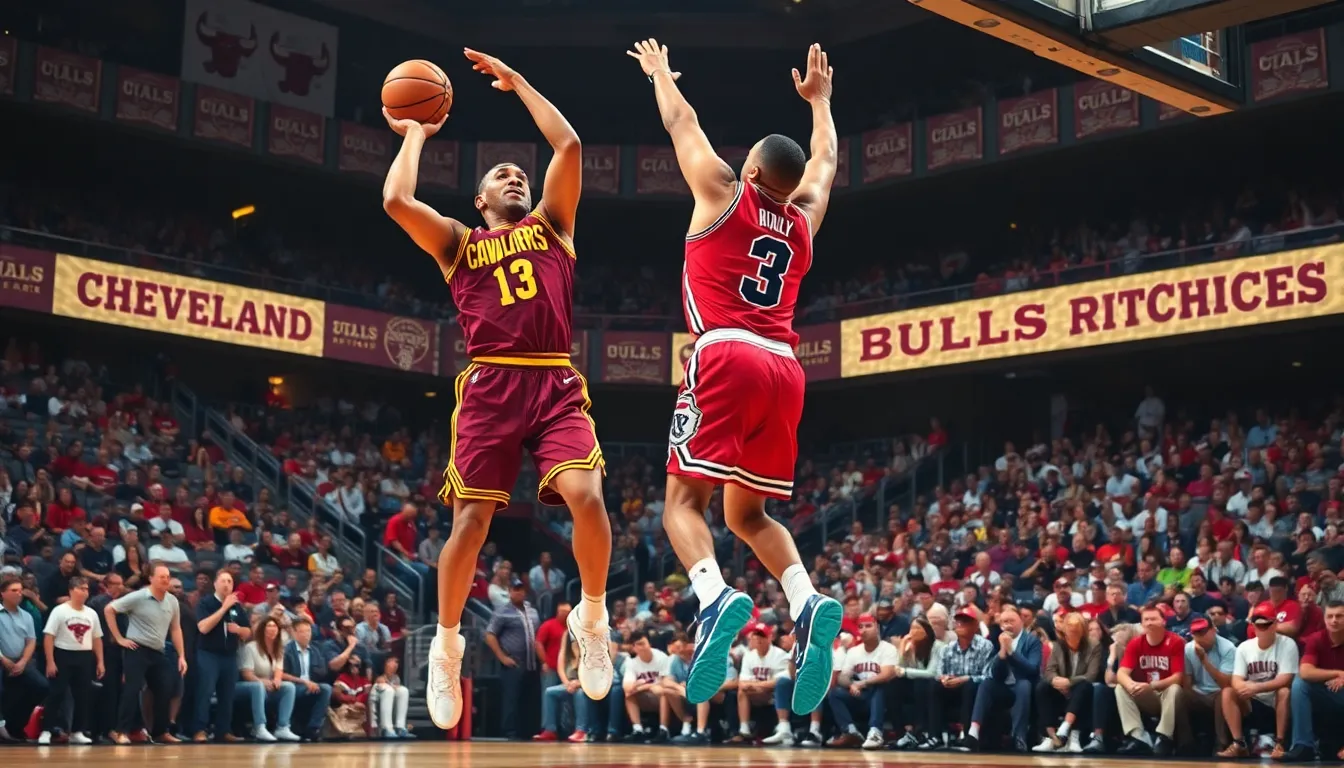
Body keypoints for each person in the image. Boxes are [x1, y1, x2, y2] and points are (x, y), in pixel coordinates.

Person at [382, 47, 614, 732]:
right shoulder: (458, 243)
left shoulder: (553, 226)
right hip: (490, 384)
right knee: (471, 524)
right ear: (480, 201)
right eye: (500, 176)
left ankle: (592, 619)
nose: (515, 176)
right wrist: (416, 133)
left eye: (520, 174)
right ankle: (447, 645)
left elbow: (569, 145)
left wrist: (519, 84)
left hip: (553, 378)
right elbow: (396, 201)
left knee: (588, 498)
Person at [625, 37, 841, 717]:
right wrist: (821, 104)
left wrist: (659, 74)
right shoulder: (803, 219)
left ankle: (714, 596)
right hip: (785, 368)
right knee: (747, 514)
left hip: (725, 353)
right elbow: (826, 162)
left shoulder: (722, 189)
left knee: (681, 505)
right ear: (788, 182)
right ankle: (805, 600)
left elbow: (680, 121)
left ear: (749, 168)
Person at [105, 564, 188, 744]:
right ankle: (121, 731)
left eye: (167, 576)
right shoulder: (139, 596)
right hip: (137, 649)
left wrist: (182, 656)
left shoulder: (172, 601)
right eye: (161, 576)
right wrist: (119, 638)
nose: (166, 580)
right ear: (151, 578)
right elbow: (109, 609)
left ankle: (160, 732)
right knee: (132, 689)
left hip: (158, 651)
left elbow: (175, 629)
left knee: (165, 688)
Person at [1218, 601, 1298, 758]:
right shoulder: (1244, 647)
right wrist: (1244, 687)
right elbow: (1236, 680)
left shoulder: (1288, 644)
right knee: (1228, 692)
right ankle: (1239, 743)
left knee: (1284, 691)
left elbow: (1286, 679)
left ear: (1275, 625)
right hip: (1253, 700)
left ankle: (1279, 743)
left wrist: (1255, 687)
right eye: (1257, 625)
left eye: (1265, 625)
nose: (1261, 629)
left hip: (1276, 698)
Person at [961, 603, 1040, 752]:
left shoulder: (1031, 640)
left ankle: (1019, 737)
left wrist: (1011, 652)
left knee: (1024, 685)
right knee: (986, 683)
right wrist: (1002, 653)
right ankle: (973, 732)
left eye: (1011, 621)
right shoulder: (997, 639)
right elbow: (995, 673)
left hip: (1023, 685)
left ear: (1021, 622)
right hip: (1004, 687)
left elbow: (1032, 670)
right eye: (1004, 622)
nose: (1008, 625)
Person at [38, 576, 103, 745]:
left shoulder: (91, 613)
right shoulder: (60, 611)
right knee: (56, 693)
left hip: (84, 656)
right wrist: (50, 661)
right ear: (72, 590)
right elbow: (49, 637)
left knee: (83, 695)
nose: (85, 592)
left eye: (86, 589)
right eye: (81, 588)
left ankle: (77, 731)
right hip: (63, 654)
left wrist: (100, 661)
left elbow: (97, 638)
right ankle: (46, 730)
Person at [1115, 605, 1186, 755]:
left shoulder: (1175, 641)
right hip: (1147, 695)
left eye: (1153, 619)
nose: (1149, 623)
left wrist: (1152, 685)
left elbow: (1178, 678)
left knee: (1175, 689)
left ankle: (1164, 737)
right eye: (1146, 620)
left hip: (1168, 696)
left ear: (1163, 621)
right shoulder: (1135, 643)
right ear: (1141, 624)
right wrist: (1131, 685)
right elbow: (1121, 673)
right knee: (1120, 688)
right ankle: (1139, 737)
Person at [191, 569, 252, 742]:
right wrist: (224, 607)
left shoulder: (237, 606)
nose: (226, 585)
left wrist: (239, 630)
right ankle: (199, 730)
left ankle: (223, 730)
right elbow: (203, 628)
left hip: (229, 655)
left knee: (227, 695)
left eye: (230, 582)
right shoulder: (206, 603)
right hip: (208, 654)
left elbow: (248, 632)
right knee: (205, 692)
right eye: (223, 581)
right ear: (215, 584)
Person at [1033, 611, 1102, 753]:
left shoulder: (1094, 646)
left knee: (1084, 687)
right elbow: (1049, 671)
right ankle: (1051, 738)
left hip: (1081, 688)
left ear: (1082, 632)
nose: (1073, 634)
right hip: (1060, 689)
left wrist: (1069, 682)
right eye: (1070, 631)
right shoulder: (1059, 645)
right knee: (1042, 687)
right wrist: (1056, 681)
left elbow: (1091, 675)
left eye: (1076, 631)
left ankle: (1070, 733)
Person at [827, 613, 897, 749]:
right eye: (861, 627)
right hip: (861, 695)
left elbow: (886, 674)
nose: (864, 630)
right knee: (835, 693)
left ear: (877, 628)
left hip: (884, 697)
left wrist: (863, 683)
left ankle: (875, 732)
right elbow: (842, 677)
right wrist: (852, 684)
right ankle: (850, 731)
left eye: (868, 626)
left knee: (879, 687)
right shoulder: (854, 651)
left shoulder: (888, 649)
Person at [1285, 600, 1344, 761]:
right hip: (1328, 692)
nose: (1334, 620)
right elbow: (1305, 671)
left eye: (1339, 616)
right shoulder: (1316, 638)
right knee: (1300, 683)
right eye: (1330, 616)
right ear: (1324, 619)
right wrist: (1339, 673)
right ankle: (1303, 746)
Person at [485, 577, 541, 739]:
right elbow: (489, 635)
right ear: (509, 592)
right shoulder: (502, 611)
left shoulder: (533, 611)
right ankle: (510, 732)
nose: (519, 593)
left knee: (529, 699)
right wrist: (502, 657)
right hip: (514, 663)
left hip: (532, 663)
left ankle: (528, 731)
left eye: (521, 590)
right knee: (511, 699)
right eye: (516, 590)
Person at [238, 615, 302, 742]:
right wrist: (262, 681)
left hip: (267, 685)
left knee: (288, 687)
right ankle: (259, 727)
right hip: (247, 685)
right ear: (262, 629)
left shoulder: (279, 648)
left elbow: (278, 670)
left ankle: (283, 727)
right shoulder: (251, 647)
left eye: (275, 626)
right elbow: (246, 674)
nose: (272, 629)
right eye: (269, 626)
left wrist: (277, 680)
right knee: (258, 686)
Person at [1182, 613, 1236, 755]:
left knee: (1223, 694)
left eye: (1203, 632)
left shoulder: (1228, 648)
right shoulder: (1188, 649)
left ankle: (1221, 743)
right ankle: (1185, 742)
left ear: (1213, 630)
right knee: (1178, 693)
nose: (1200, 637)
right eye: (1196, 633)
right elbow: (1187, 683)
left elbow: (1226, 683)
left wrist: (1204, 660)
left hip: (1220, 692)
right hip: (1199, 693)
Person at [281, 618, 335, 740]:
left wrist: (315, 677)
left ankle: (313, 728)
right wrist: (305, 682)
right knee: (292, 689)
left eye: (308, 631)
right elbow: (282, 674)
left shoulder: (315, 650)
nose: (306, 635)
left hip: (311, 684)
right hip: (294, 685)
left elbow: (323, 671)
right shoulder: (287, 650)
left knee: (326, 688)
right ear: (294, 633)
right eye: (302, 631)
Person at [372, 655, 413, 739]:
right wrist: (391, 687)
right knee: (388, 690)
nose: (395, 664)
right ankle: (386, 728)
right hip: (378, 703)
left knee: (403, 690)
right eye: (392, 661)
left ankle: (400, 727)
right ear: (386, 663)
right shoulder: (379, 677)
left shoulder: (396, 678)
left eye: (397, 662)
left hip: (391, 705)